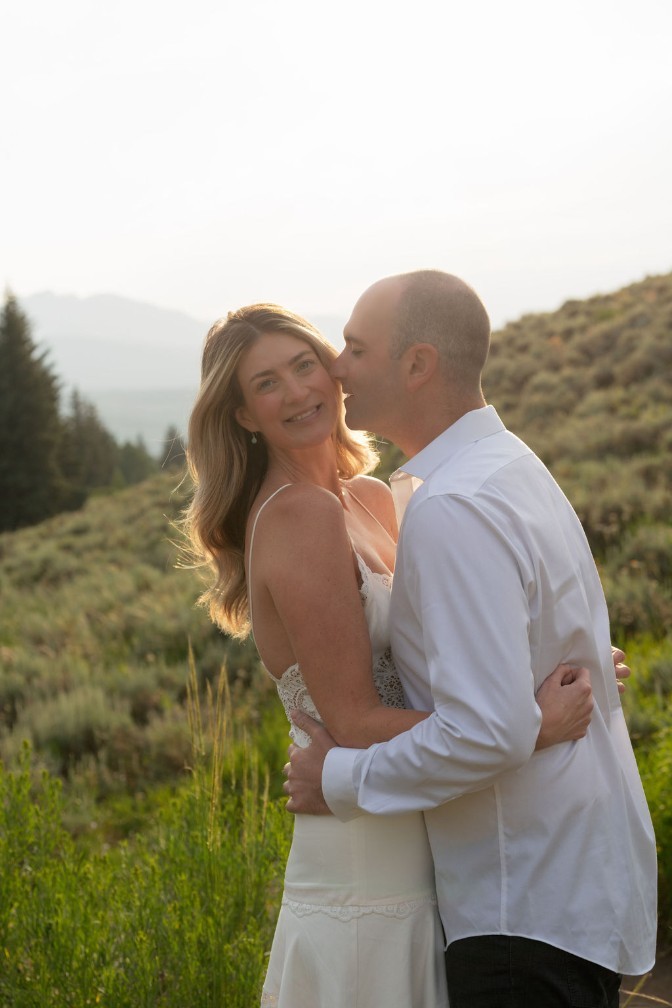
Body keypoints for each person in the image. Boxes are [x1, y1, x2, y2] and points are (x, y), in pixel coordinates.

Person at [182, 303, 596, 1008]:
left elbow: (444, 647)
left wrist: (551, 656)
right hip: (364, 853)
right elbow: (353, 720)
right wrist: (531, 724)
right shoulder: (297, 515)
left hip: (423, 814)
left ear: (333, 370)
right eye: (267, 384)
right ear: (244, 415)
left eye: (304, 365)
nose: (298, 391)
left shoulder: (372, 498)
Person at [285, 270, 658, 1007]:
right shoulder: (511, 465)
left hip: (521, 899)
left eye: (356, 348)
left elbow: (486, 731)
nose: (336, 367)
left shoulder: (455, 505)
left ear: (417, 364)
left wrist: (338, 779)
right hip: (568, 880)